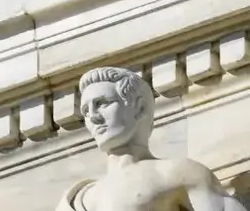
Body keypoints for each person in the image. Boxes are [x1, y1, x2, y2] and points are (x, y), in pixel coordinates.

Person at [59, 66, 242, 211]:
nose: (93, 116)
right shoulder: (79, 197)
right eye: (85, 111)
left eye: (102, 103)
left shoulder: (177, 173)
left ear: (139, 107)